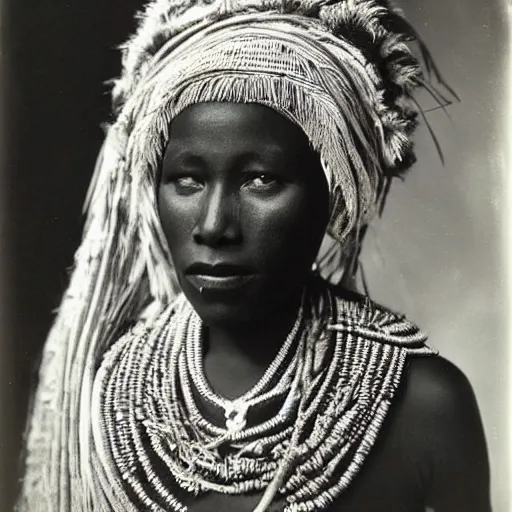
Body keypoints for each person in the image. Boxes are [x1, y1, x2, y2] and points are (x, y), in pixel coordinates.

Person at [18, 0, 491, 510]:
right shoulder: (110, 399)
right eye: (189, 180)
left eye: (260, 179)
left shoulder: (424, 407)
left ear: (330, 198)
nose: (214, 226)